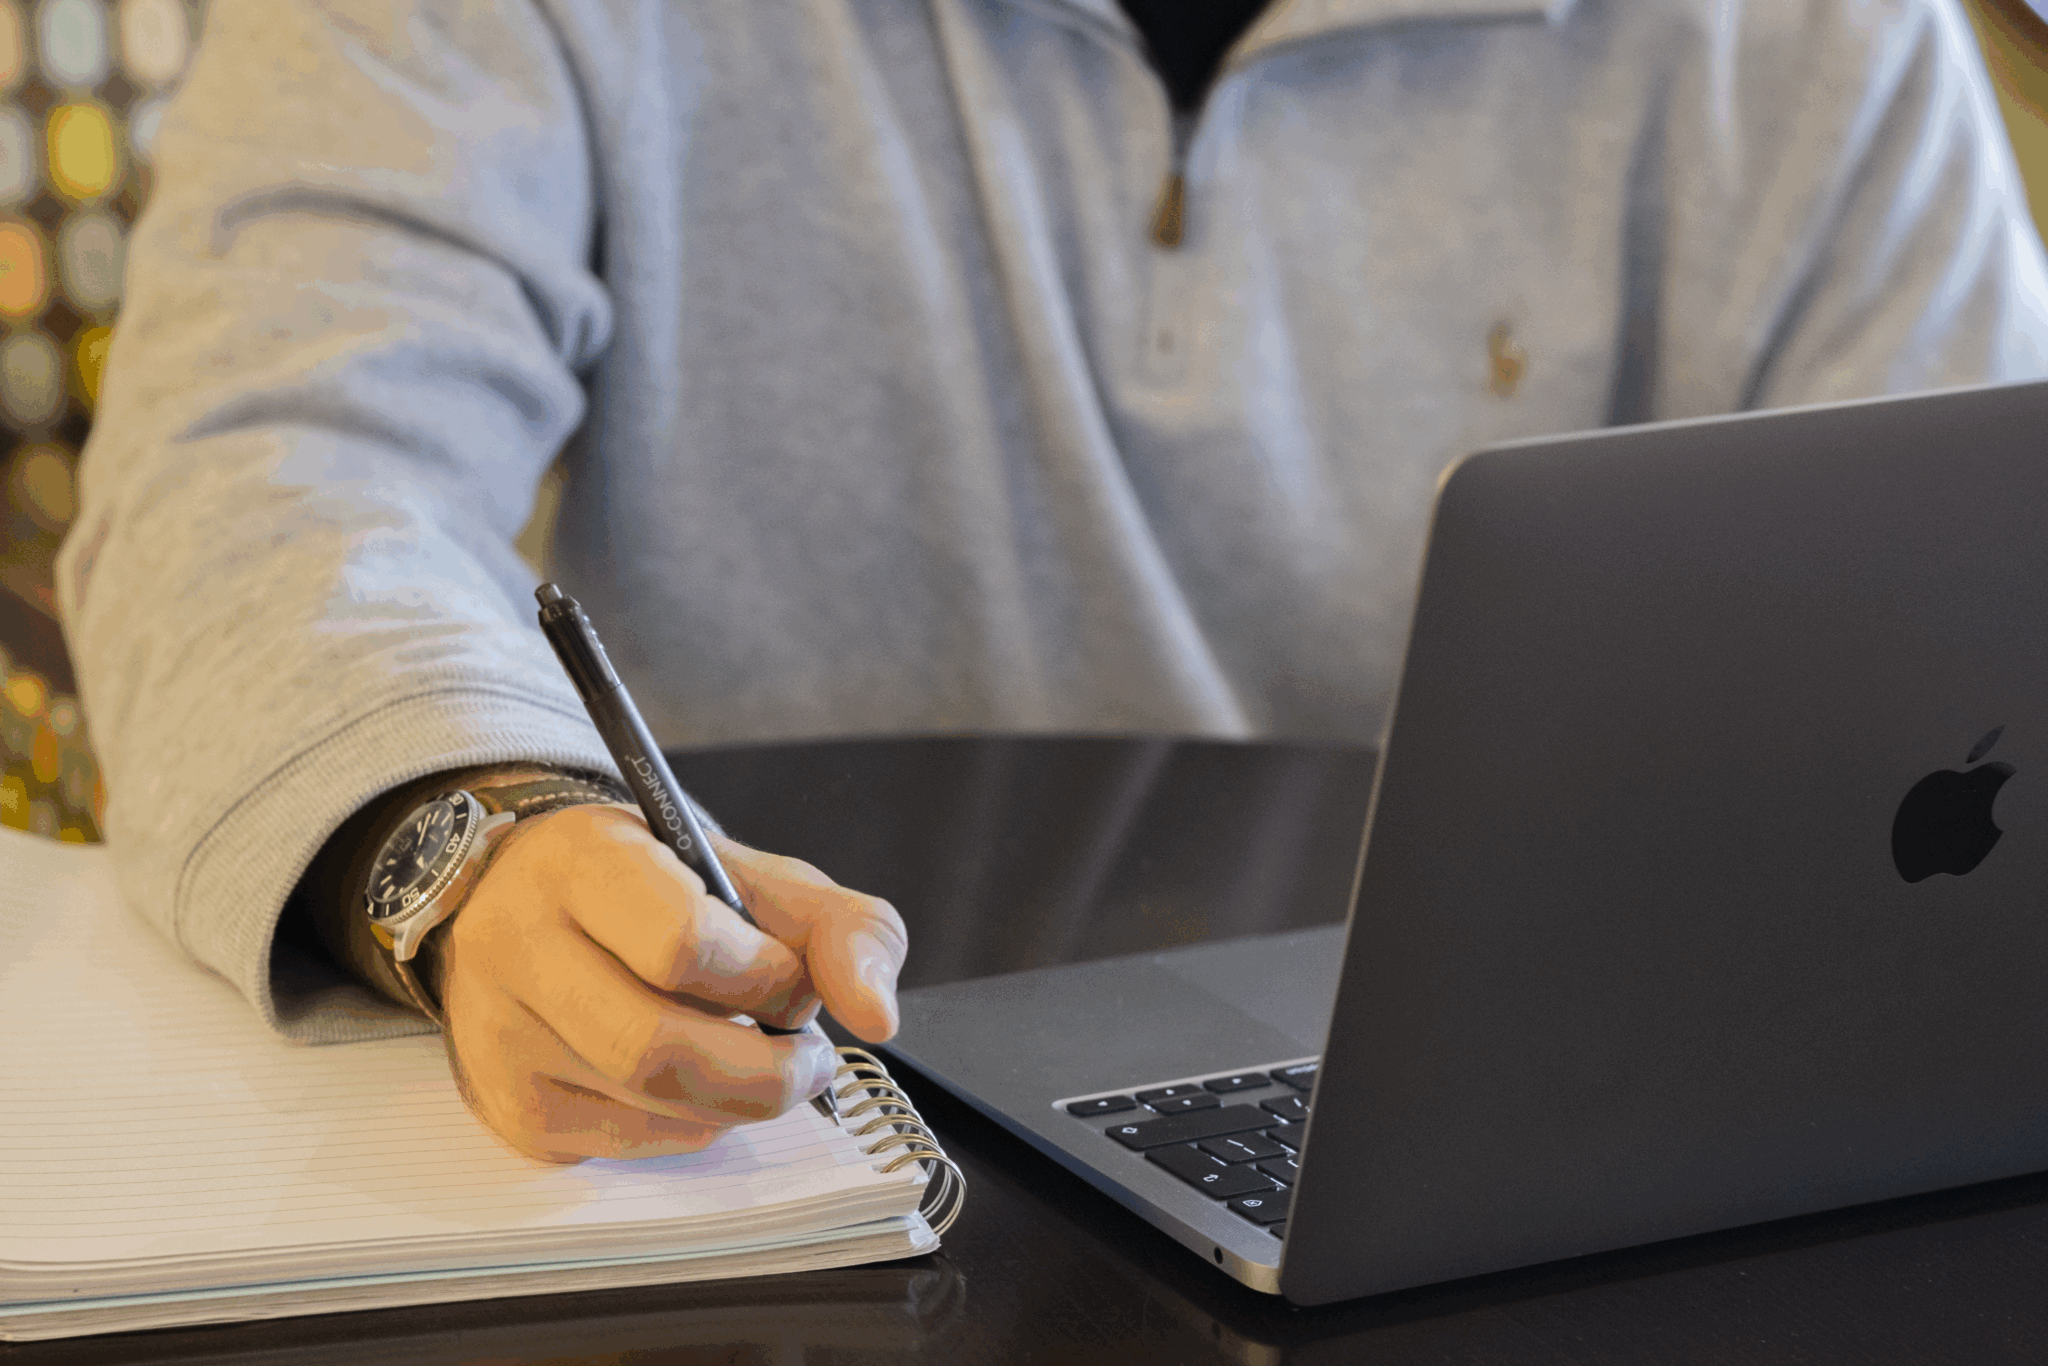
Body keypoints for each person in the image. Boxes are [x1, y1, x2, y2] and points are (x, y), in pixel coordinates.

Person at [59, 0, 2048, 1163]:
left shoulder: (1817, 39)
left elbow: (1979, 612)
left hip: (1533, 1136)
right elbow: (260, 461)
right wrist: (465, 830)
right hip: (758, 1122)